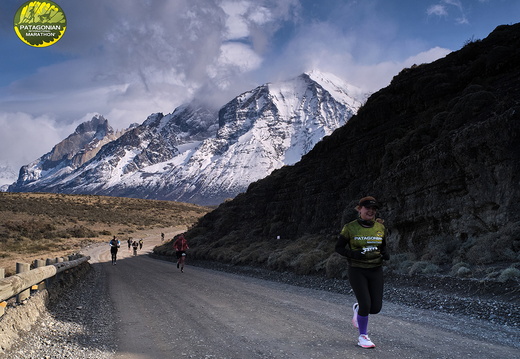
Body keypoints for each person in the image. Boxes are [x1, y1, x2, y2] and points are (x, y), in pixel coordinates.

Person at [335, 196, 390, 349]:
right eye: (367, 208)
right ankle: (363, 336)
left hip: (376, 269)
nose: (371, 211)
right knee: (366, 304)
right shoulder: (350, 227)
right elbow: (338, 248)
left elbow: (383, 247)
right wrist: (355, 254)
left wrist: (385, 254)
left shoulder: (380, 227)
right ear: (360, 209)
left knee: (375, 308)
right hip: (357, 269)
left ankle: (358, 308)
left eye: (373, 209)